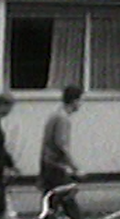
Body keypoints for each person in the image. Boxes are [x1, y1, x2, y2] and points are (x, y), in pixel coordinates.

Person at [39, 86, 84, 219]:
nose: (81, 104)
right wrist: (75, 167)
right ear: (74, 101)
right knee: (67, 200)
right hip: (56, 167)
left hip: (48, 164)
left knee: (51, 203)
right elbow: (61, 145)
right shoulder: (63, 118)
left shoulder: (55, 115)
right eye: (80, 100)